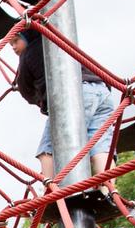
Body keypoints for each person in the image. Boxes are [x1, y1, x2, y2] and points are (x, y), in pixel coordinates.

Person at [11, 29, 116, 191]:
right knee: (100, 146)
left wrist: (42, 100)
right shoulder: (60, 41)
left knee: (48, 147)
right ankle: (108, 191)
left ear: (28, 36)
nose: (13, 46)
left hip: (74, 94)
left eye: (16, 41)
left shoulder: (28, 54)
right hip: (102, 91)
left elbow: (25, 90)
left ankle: (50, 193)